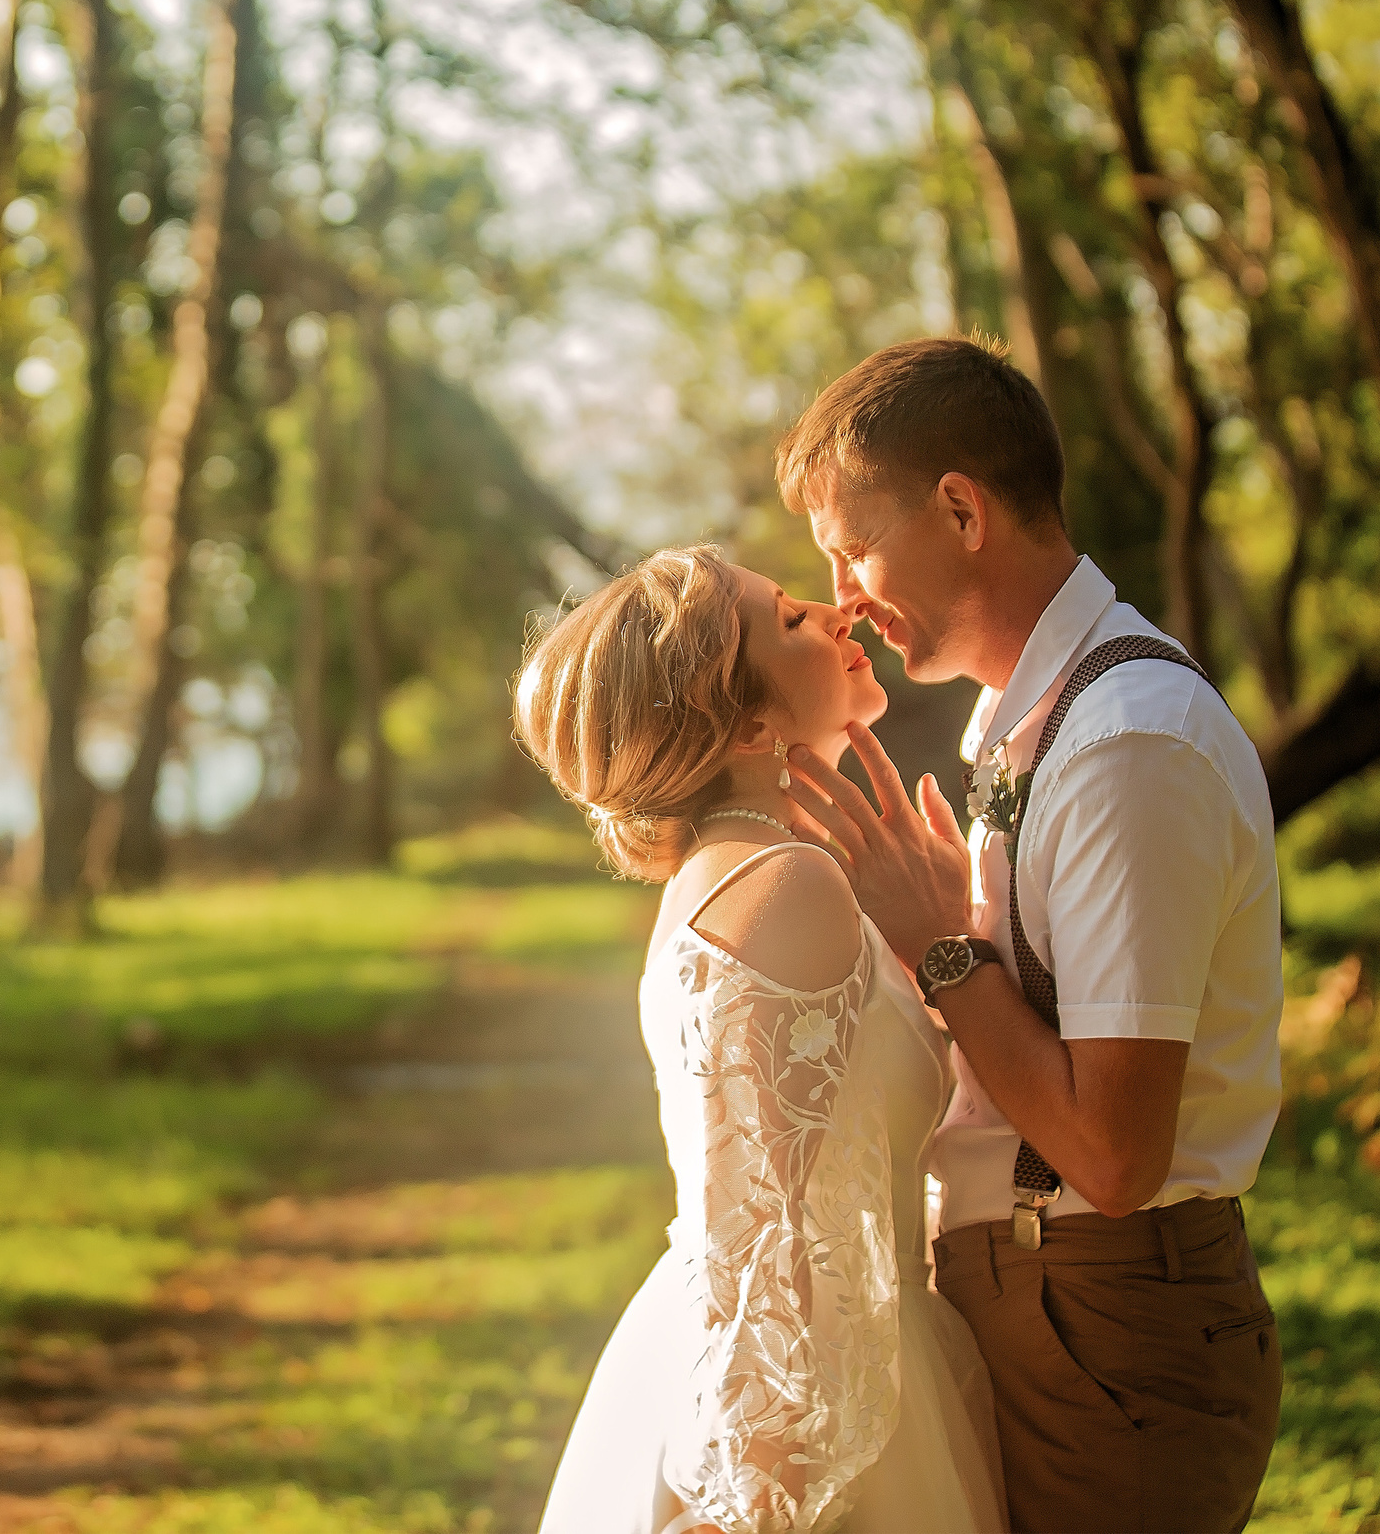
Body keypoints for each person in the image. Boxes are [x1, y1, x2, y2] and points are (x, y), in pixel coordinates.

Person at [772, 335, 1286, 1534]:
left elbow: (1111, 1156)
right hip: (1045, 1301)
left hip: (1103, 1324)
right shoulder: (1028, 721)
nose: (843, 594)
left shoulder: (1124, 746)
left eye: (854, 544)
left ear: (962, 512)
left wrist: (939, 953)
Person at [519, 543, 1007, 1534]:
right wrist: (757, 1504)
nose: (837, 612)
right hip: (803, 1413)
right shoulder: (783, 884)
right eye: (789, 618)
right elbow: (755, 1237)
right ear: (746, 722)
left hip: (816, 1364)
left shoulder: (739, 872)